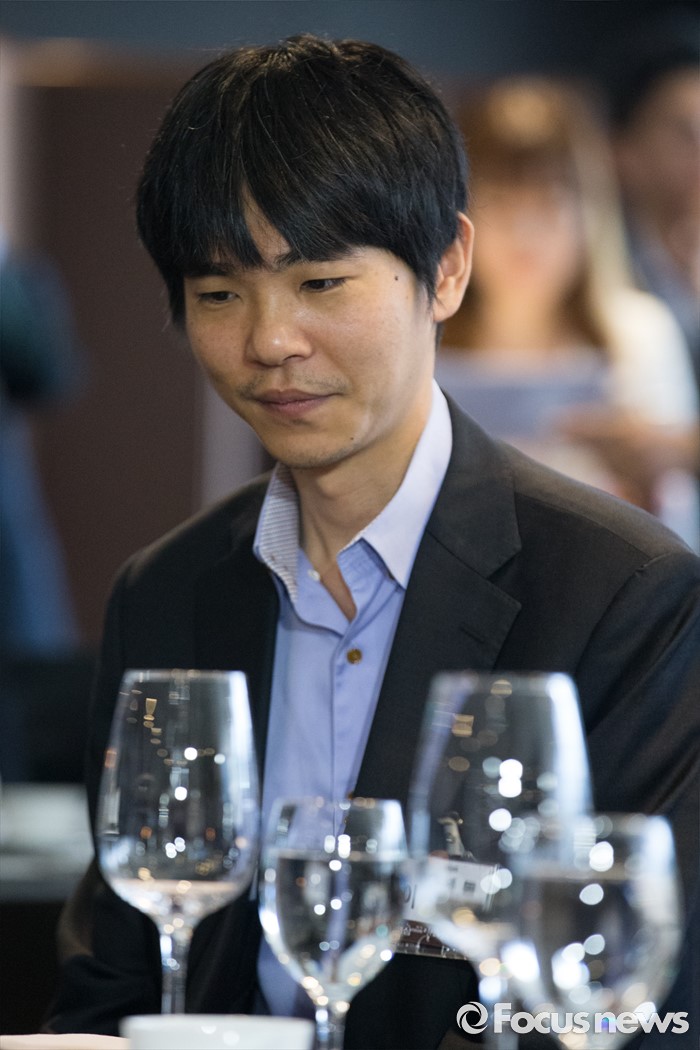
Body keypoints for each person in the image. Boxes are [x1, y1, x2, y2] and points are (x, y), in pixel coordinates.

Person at [47, 35, 699, 1049]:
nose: (270, 340)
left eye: (320, 283)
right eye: (219, 294)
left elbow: (638, 1004)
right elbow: (116, 978)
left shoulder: (624, 595)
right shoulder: (166, 592)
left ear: (447, 270)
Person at [439, 77, 699, 548]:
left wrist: (649, 467)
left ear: (589, 212)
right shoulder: (427, 339)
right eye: (501, 204)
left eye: (549, 203)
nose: (525, 233)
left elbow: (679, 531)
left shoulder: (639, 332)